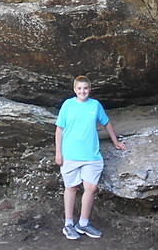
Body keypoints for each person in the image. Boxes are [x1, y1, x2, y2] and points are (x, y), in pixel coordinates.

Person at [54, 75, 127, 240]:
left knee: (91, 188)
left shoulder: (95, 105)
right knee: (71, 187)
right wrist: (58, 153)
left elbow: (106, 123)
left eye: (85, 88)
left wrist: (115, 142)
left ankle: (84, 223)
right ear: (75, 90)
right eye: (79, 88)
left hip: (91, 155)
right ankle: (68, 224)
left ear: (90, 89)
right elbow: (59, 130)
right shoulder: (68, 105)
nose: (83, 91)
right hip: (71, 154)